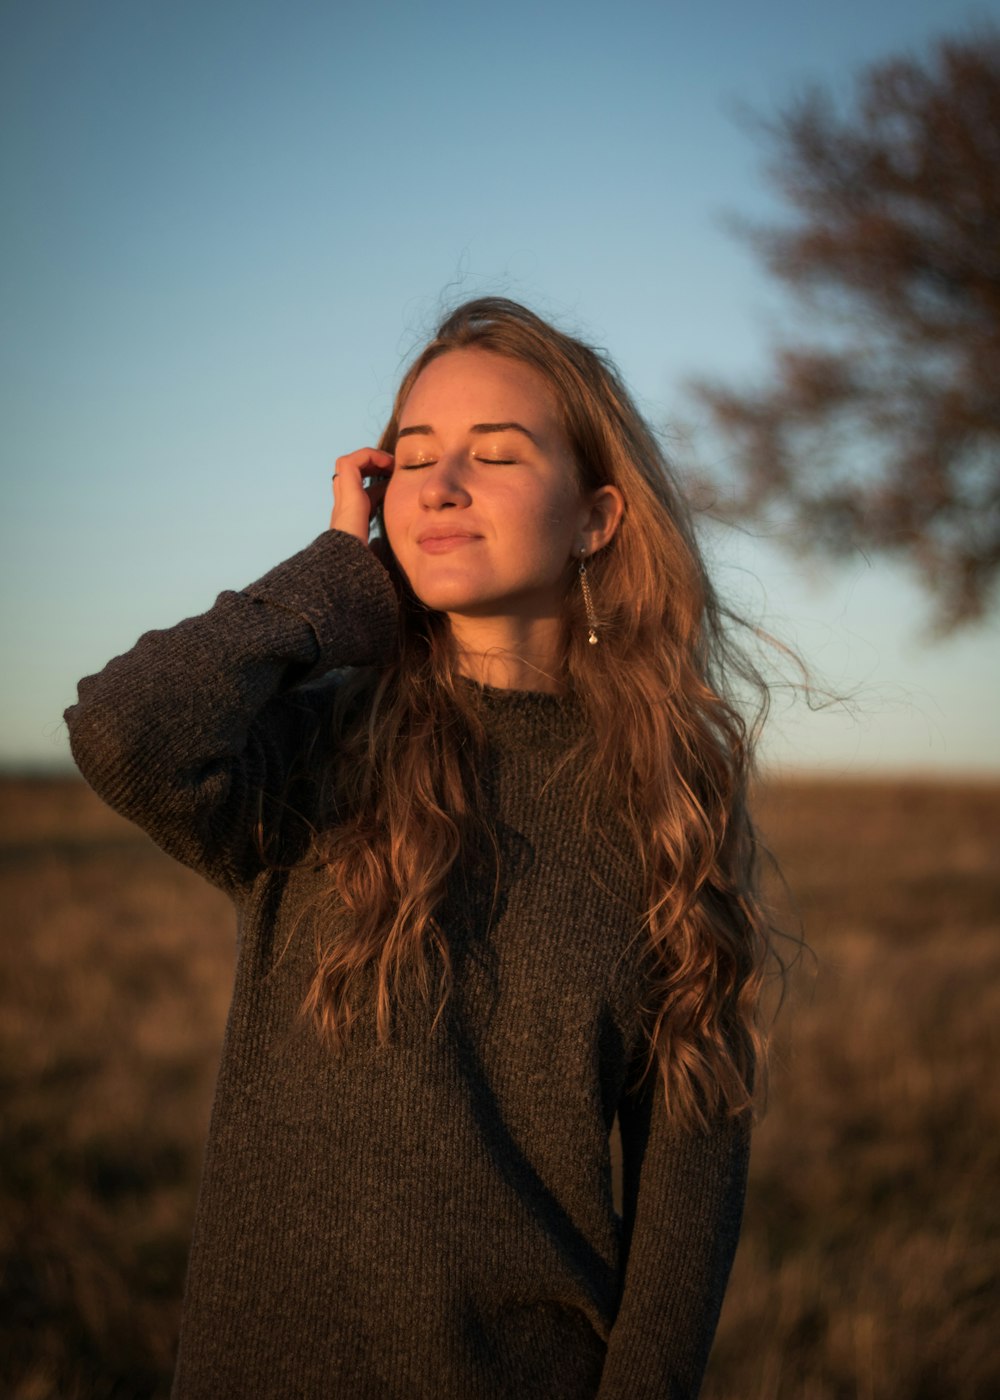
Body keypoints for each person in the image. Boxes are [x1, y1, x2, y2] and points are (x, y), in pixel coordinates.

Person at [66, 297, 776, 1399]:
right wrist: (331, 584)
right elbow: (125, 727)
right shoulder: (320, 745)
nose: (440, 486)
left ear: (595, 517)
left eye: (494, 454)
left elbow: (692, 1179)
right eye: (410, 459)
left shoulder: (667, 798)